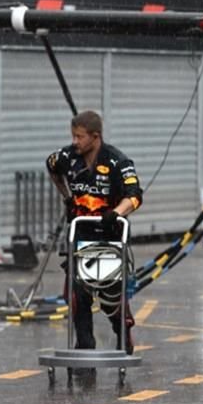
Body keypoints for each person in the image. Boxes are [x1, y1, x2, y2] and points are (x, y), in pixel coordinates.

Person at [46, 110, 143, 355]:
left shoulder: (116, 162)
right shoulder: (68, 157)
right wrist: (67, 198)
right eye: (73, 136)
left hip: (109, 236)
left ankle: (123, 329)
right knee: (77, 293)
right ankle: (85, 345)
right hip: (80, 235)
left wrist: (117, 213)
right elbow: (51, 166)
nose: (75, 142)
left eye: (80, 137)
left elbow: (135, 196)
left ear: (95, 137)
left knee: (110, 294)